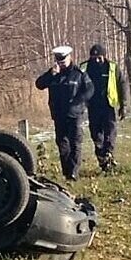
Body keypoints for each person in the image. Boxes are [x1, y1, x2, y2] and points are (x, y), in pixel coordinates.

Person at [35, 45, 94, 181]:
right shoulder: (53, 74)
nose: (61, 64)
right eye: (59, 61)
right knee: (62, 144)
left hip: (75, 114)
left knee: (75, 143)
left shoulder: (79, 73)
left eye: (63, 61)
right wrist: (51, 74)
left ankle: (74, 172)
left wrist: (78, 103)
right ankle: (67, 172)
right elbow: (39, 84)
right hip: (58, 115)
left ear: (69, 57)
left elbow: (89, 90)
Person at [82, 43, 128, 172]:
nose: (96, 60)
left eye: (99, 58)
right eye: (94, 57)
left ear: (104, 56)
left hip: (109, 106)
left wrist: (123, 105)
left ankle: (109, 157)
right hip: (92, 107)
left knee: (110, 134)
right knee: (96, 135)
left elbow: (122, 85)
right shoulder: (84, 68)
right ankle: (101, 157)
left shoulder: (112, 67)